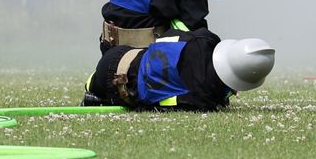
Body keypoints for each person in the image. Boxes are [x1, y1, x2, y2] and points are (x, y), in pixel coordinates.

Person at [83, 33, 274, 112]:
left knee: (95, 82)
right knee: (101, 91)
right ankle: (95, 92)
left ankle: (92, 85)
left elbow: (169, 36)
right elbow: (155, 103)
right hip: (116, 82)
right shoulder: (201, 98)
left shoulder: (206, 40)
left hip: (124, 52)